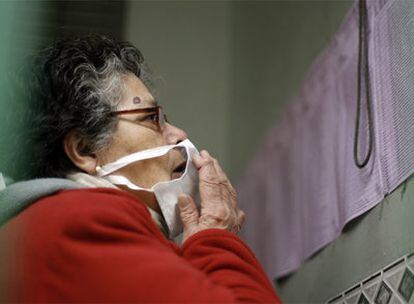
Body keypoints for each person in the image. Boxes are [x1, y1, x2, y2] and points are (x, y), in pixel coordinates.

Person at [0, 35, 280, 303]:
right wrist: (218, 237)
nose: (179, 135)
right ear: (85, 150)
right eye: (150, 117)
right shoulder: (79, 221)